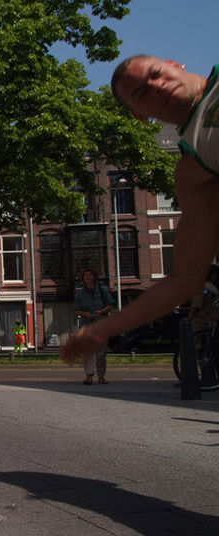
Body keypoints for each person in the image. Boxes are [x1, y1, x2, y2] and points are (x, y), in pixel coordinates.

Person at [63, 56, 219, 363]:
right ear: (141, 115)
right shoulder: (194, 169)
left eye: (156, 74)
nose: (158, 87)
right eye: (143, 94)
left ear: (176, 64)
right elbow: (184, 279)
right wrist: (100, 330)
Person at [72, 268, 114, 385]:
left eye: (90, 275)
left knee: (101, 351)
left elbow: (110, 304)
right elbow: (76, 310)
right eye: (85, 276)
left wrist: (101, 312)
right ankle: (89, 375)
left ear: (94, 277)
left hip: (101, 323)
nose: (88, 277)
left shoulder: (102, 290)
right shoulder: (80, 294)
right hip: (87, 324)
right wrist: (86, 314)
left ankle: (101, 376)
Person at [188, 265, 219, 351]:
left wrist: (189, 319)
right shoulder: (213, 287)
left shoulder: (202, 287)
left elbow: (196, 306)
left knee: (193, 343)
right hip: (212, 320)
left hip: (201, 320)